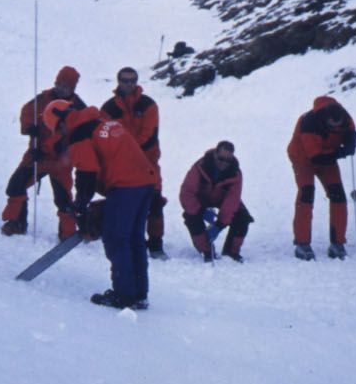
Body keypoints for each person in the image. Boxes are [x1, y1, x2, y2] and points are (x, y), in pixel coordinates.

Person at [44, 99, 159, 310]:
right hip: (146, 181)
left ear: (60, 122)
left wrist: (80, 204)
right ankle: (139, 294)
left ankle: (124, 296)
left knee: (116, 237)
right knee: (134, 239)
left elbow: (87, 170)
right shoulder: (100, 120)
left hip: (126, 185)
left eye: (58, 129)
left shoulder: (78, 132)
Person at [0, 65, 86, 238]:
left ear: (73, 88)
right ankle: (16, 223)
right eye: (58, 84)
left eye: (65, 86)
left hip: (60, 161)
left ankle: (68, 232)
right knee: (16, 186)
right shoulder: (44, 98)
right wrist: (30, 128)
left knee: (63, 198)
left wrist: (54, 149)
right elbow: (26, 111)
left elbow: (77, 134)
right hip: (36, 156)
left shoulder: (78, 107)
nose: (60, 89)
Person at [100, 67, 167, 259]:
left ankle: (155, 244)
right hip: (121, 165)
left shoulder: (148, 105)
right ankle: (126, 239)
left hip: (148, 163)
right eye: (125, 80)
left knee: (154, 202)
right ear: (118, 81)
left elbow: (149, 135)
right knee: (123, 202)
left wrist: (127, 150)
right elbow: (106, 134)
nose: (129, 84)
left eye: (132, 80)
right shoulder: (108, 108)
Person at [286, 96, 356, 260]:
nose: (336, 129)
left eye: (338, 126)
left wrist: (350, 143)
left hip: (328, 156)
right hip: (303, 158)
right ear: (325, 119)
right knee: (306, 195)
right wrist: (341, 152)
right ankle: (302, 243)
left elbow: (351, 133)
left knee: (338, 196)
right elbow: (315, 156)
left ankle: (338, 243)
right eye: (332, 126)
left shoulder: (345, 118)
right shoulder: (309, 122)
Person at [178, 140, 253, 262]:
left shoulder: (235, 173)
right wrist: (201, 211)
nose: (223, 163)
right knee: (191, 216)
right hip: (201, 199)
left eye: (227, 161)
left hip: (221, 199)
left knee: (242, 218)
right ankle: (206, 250)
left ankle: (231, 253)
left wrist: (219, 225)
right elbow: (187, 193)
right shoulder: (200, 167)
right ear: (215, 154)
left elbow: (232, 201)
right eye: (221, 159)